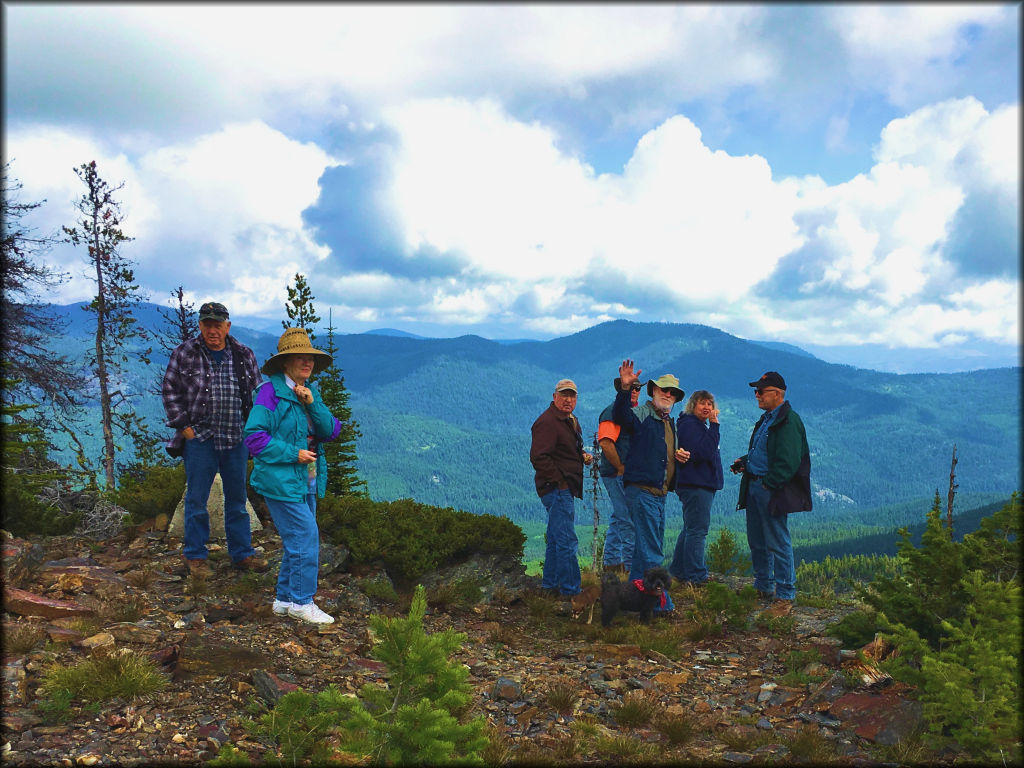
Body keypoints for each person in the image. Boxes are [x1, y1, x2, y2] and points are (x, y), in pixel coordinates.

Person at [244, 327, 344, 624]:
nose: (306, 362)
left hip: (307, 480)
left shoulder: (309, 393)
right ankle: (302, 602)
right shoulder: (269, 393)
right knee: (305, 536)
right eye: (299, 357)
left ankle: (285, 599)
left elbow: (331, 430)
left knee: (296, 539)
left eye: (310, 357)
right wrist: (292, 453)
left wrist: (313, 403)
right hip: (281, 480)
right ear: (285, 363)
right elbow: (254, 438)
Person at [162, 301, 265, 577]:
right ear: (200, 325)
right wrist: (184, 427)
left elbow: (258, 395)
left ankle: (242, 554)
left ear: (227, 326)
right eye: (207, 324)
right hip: (200, 439)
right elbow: (169, 389)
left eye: (217, 325)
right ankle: (195, 556)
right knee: (196, 499)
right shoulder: (184, 353)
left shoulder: (244, 354)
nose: (212, 330)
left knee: (238, 499)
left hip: (236, 438)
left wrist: (256, 431)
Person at [729, 371, 812, 617]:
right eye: (756, 391)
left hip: (769, 490)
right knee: (757, 540)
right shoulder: (768, 419)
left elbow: (789, 461)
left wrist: (769, 484)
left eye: (761, 391)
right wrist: (745, 462)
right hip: (755, 485)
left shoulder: (788, 421)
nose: (757, 395)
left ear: (776, 394)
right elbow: (764, 453)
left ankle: (785, 594)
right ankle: (763, 586)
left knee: (777, 540)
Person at [612, 360, 691, 614]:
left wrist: (678, 459)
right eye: (663, 390)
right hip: (642, 491)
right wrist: (625, 389)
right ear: (653, 392)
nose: (668, 395)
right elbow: (621, 416)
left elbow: (663, 454)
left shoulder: (669, 422)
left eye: (672, 393)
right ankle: (662, 605)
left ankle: (631, 601)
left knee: (641, 552)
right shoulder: (644, 414)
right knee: (652, 550)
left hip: (659, 494)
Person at [530, 378, 593, 597]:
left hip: (562, 488)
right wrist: (560, 480)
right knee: (567, 540)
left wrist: (582, 456)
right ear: (554, 396)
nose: (568, 400)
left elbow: (562, 450)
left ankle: (550, 586)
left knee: (557, 539)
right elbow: (539, 457)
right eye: (564, 395)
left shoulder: (568, 420)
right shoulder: (547, 422)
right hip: (557, 489)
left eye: (572, 396)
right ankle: (571, 591)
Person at [669, 390, 724, 587]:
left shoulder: (696, 425)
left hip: (697, 484)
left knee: (690, 528)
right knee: (698, 530)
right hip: (696, 484)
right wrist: (715, 426)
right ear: (693, 405)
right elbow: (703, 453)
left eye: (710, 403)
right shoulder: (691, 425)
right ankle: (696, 576)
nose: (707, 407)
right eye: (702, 403)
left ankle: (678, 571)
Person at [597, 377, 641, 574]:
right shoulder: (611, 412)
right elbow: (605, 442)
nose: (635, 391)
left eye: (638, 388)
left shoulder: (629, 412)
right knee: (627, 520)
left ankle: (612, 564)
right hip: (615, 473)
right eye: (631, 388)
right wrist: (620, 467)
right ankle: (632, 571)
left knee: (618, 517)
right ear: (621, 389)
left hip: (623, 473)